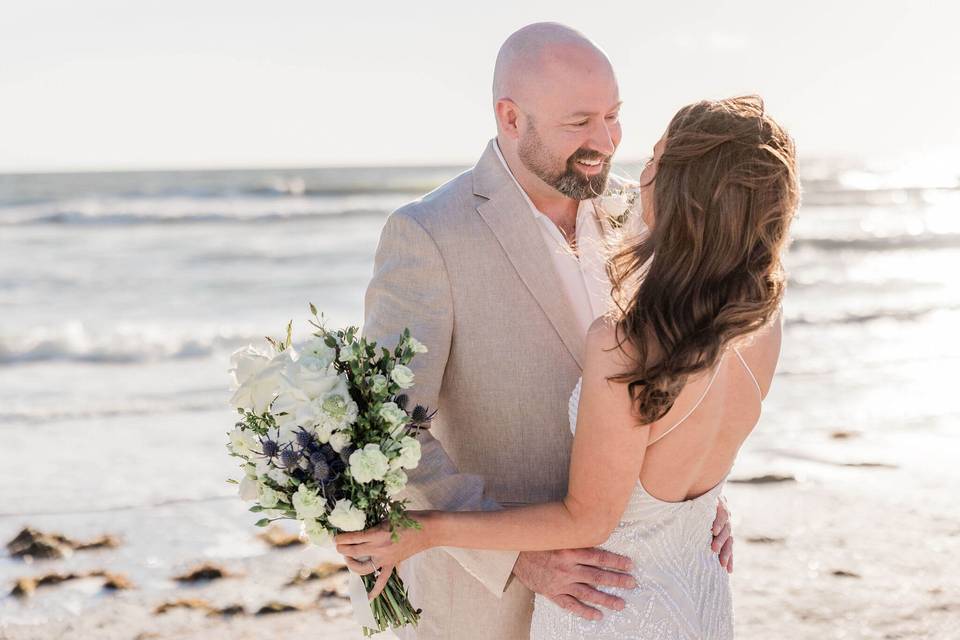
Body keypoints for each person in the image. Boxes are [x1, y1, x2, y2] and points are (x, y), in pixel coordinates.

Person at [339, 93, 798, 639]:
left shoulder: (625, 347)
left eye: (657, 159)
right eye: (582, 118)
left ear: (685, 194)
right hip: (696, 592)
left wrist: (424, 531)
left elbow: (588, 519)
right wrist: (697, 507)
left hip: (611, 607)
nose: (636, 172)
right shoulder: (762, 323)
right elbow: (688, 447)